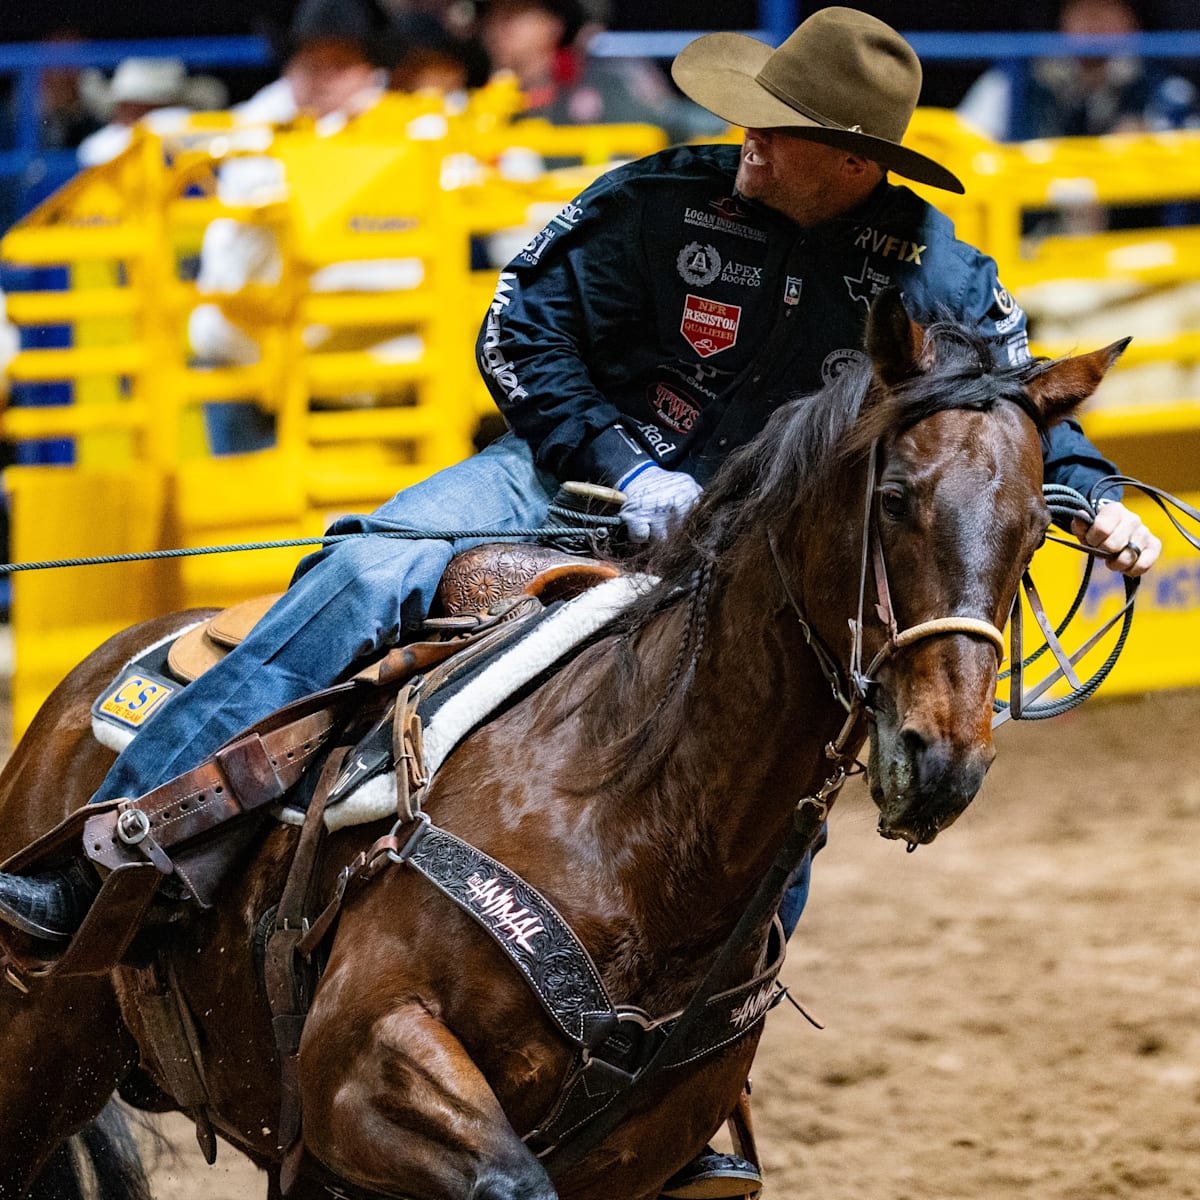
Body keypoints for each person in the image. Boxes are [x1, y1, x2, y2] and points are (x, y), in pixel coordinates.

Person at [0, 9, 1163, 1198]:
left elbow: (999, 413)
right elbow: (521, 330)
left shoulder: (935, 271)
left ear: (854, 162)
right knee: (364, 568)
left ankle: (688, 1078)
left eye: (777, 136)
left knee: (778, 770)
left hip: (737, 546)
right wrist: (619, 456)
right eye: (749, 129)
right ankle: (122, 841)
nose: (747, 148)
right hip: (561, 477)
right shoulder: (659, 202)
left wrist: (1086, 494)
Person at [958, 0, 1200, 140]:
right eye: (1083, 8)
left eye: (1107, 8)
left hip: (1130, 222)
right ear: (1062, 16)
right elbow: (965, 143)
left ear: (1132, 18)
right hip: (1041, 217)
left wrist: (1145, 147)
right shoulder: (1014, 80)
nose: (1094, 21)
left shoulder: (1163, 86)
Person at [76, 57, 227, 168]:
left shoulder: (183, 124)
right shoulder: (102, 143)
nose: (129, 110)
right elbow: (93, 154)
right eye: (127, 105)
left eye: (143, 105)